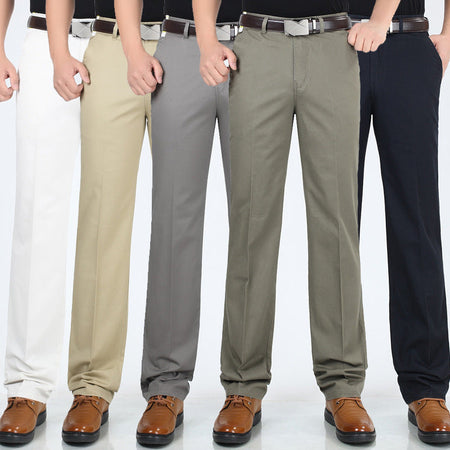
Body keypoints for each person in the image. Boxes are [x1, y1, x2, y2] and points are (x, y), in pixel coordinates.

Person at [194, 0, 400, 445]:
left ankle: (343, 385)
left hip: (332, 48)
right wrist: (207, 40)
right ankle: (242, 385)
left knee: (336, 221)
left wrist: (382, 20)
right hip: (258, 47)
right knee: (251, 219)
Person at [115, 0, 240, 445]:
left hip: (258, 45)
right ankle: (165, 385)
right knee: (173, 220)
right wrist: (133, 50)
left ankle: (244, 387)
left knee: (251, 222)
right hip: (182, 47)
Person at [47, 0, 163, 444]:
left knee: (178, 222)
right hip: (113, 48)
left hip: (189, 42)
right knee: (102, 220)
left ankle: (167, 386)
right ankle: (91, 385)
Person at [351, 0, 450, 444]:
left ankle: (427, 386)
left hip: (408, 45)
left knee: (417, 219)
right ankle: (341, 386)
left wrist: (448, 37)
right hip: (336, 46)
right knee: (337, 221)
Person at [0, 0, 94, 445]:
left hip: (125, 39)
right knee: (38, 215)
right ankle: (26, 386)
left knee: (113, 216)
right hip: (45, 40)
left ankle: (95, 386)